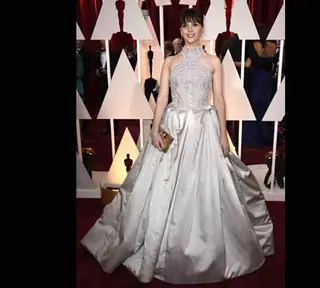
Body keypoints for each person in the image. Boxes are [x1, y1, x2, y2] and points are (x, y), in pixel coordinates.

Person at [81, 8, 274, 284]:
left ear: (201, 28)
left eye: (195, 25)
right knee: (159, 185)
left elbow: (219, 100)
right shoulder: (170, 62)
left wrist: (222, 134)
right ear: (181, 31)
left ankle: (206, 245)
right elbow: (161, 99)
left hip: (203, 128)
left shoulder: (213, 62)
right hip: (173, 126)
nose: (190, 30)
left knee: (208, 186)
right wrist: (154, 129)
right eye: (186, 26)